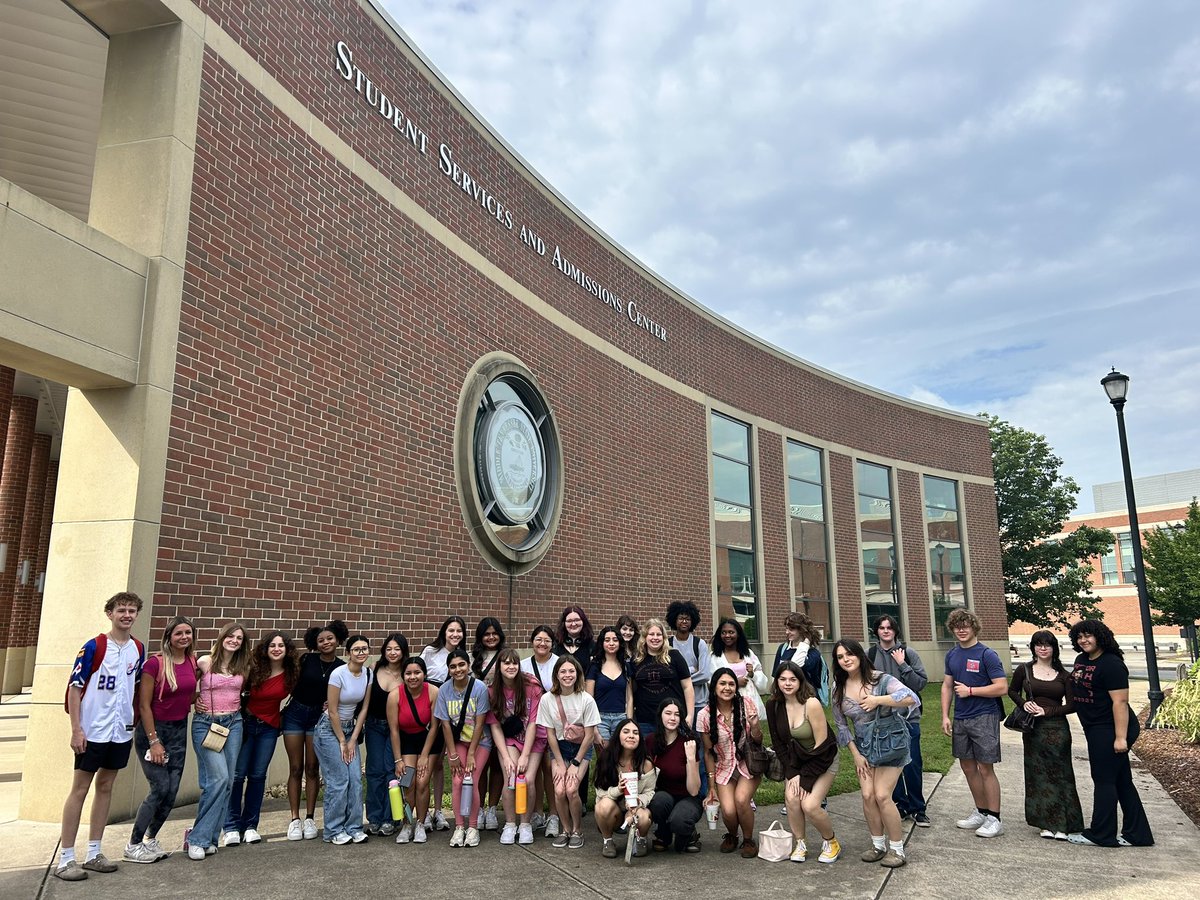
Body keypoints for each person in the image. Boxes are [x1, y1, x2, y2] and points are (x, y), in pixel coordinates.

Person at [55, 592, 146, 881]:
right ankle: (66, 858)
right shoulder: (95, 646)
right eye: (121, 610)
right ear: (110, 613)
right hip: (92, 729)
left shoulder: (138, 649)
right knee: (80, 788)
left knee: (106, 786)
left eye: (132, 610)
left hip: (119, 731)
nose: (127, 615)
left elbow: (135, 687)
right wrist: (76, 729)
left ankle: (94, 852)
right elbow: (74, 688)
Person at [1067, 619, 1154, 848]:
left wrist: (1120, 737)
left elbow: (1121, 702)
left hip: (1111, 728)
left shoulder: (1111, 664)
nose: (1083, 640)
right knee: (1122, 780)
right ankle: (1139, 834)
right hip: (1095, 727)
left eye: (1088, 636)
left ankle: (1101, 834)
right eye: (1079, 637)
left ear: (1100, 637)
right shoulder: (1081, 660)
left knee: (1104, 780)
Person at [832, 639, 918, 868]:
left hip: (890, 744)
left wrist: (877, 700)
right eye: (840, 657)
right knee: (868, 796)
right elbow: (841, 726)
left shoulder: (881, 679)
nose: (845, 660)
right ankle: (878, 845)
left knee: (881, 795)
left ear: (860, 655)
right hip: (864, 749)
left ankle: (897, 850)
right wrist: (856, 755)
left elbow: (912, 698)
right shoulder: (837, 688)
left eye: (849, 654)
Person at [124, 614, 196, 865]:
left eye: (188, 633)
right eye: (179, 633)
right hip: (152, 732)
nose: (184, 637)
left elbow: (188, 696)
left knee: (172, 791)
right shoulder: (154, 664)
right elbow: (144, 706)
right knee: (160, 788)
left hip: (178, 731)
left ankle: (151, 838)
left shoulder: (191, 661)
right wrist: (154, 741)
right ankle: (133, 844)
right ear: (169, 636)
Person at [224, 631, 299, 846]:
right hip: (245, 725)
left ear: (287, 650)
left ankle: (250, 826)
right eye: (272, 645)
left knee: (257, 776)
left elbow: (302, 696)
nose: (277, 649)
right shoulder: (253, 668)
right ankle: (230, 826)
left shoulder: (291, 674)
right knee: (238, 775)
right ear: (265, 648)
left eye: (281, 646)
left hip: (269, 728)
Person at [1009, 630, 1084, 840]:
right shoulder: (1024, 670)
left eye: (1047, 645)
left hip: (1057, 729)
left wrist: (1048, 711)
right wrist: (1024, 703)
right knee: (1037, 775)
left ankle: (1062, 823)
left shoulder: (1064, 675)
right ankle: (1044, 822)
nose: (1043, 648)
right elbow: (1012, 691)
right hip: (1033, 730)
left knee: (1060, 774)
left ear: (1054, 648)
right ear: (1033, 647)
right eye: (1038, 644)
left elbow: (1072, 705)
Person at [941, 608, 1007, 839]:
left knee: (985, 768)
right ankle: (981, 811)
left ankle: (994, 818)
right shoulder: (952, 655)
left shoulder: (987, 654)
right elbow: (947, 685)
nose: (961, 629)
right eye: (957, 626)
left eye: (965, 625)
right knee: (968, 767)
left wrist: (971, 690)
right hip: (961, 718)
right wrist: (945, 715)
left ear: (974, 627)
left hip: (984, 717)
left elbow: (1002, 687)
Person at [767, 660, 840, 863]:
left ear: (800, 681)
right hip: (796, 761)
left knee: (810, 805)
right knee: (791, 798)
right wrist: (793, 774)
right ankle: (800, 843)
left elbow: (823, 747)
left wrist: (804, 779)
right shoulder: (773, 705)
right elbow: (779, 745)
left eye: (792, 679)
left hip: (823, 759)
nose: (787, 683)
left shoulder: (811, 703)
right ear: (777, 681)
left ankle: (831, 841)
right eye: (782, 679)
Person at [282, 619, 348, 841]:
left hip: (318, 719)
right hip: (295, 715)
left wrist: (333, 704)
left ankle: (310, 817)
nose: (326, 642)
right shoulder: (306, 659)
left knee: (312, 767)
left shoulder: (341, 666)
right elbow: (288, 680)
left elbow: (343, 693)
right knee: (295, 767)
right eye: (321, 640)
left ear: (338, 640)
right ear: (315, 643)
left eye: (330, 638)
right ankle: (294, 819)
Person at [190, 621, 250, 860]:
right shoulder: (204, 662)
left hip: (234, 724)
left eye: (239, 638)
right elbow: (185, 683)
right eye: (231, 636)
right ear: (222, 637)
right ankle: (197, 839)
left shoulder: (242, 666)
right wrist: (195, 696)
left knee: (226, 783)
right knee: (218, 778)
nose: (234, 641)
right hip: (206, 724)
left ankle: (211, 839)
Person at [423, 647, 491, 848]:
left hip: (480, 743)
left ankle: (473, 827)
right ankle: (459, 827)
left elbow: (480, 723)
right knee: (457, 780)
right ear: (448, 669)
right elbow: (444, 724)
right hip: (458, 742)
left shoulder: (479, 688)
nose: (457, 669)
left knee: (471, 779)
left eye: (461, 665)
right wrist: (452, 754)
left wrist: (471, 754)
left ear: (468, 666)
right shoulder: (444, 690)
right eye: (453, 666)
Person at [868, 614, 930, 826]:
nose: (886, 631)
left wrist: (903, 664)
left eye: (890, 628)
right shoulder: (870, 654)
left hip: (908, 719)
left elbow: (920, 684)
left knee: (912, 764)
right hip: (883, 721)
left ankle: (918, 808)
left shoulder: (908, 653)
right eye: (882, 628)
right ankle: (900, 804)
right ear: (876, 631)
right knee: (888, 765)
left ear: (895, 631)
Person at [313, 634, 372, 845]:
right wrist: (341, 741)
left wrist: (353, 738)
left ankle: (354, 827)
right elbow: (334, 710)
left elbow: (364, 708)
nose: (361, 652)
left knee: (355, 779)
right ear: (348, 653)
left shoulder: (368, 673)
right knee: (339, 781)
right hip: (329, 730)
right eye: (356, 649)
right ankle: (333, 830)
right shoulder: (338, 674)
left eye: (364, 649)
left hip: (350, 730)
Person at [536, 654, 600, 849]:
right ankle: (565, 829)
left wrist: (575, 764)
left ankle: (577, 830)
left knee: (572, 790)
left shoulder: (586, 699)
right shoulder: (547, 699)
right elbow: (550, 734)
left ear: (577, 673)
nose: (567, 675)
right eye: (563, 671)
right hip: (559, 748)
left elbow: (589, 736)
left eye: (571, 671)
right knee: (559, 790)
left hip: (581, 749)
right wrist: (560, 763)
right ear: (556, 674)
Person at [698, 667, 762, 858]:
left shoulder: (746, 704)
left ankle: (748, 839)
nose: (727, 688)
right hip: (723, 766)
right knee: (728, 810)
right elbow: (708, 753)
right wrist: (711, 786)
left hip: (747, 764)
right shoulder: (704, 715)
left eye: (731, 684)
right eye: (722, 683)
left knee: (742, 801)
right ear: (714, 687)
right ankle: (732, 836)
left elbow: (758, 741)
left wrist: (756, 725)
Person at [486, 648, 546, 845]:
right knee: (510, 776)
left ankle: (525, 824)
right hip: (509, 739)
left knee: (527, 780)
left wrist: (525, 755)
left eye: (514, 663)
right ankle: (510, 824)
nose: (511, 667)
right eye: (506, 663)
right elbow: (495, 726)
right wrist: (505, 757)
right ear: (499, 667)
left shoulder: (532, 687)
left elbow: (532, 724)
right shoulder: (493, 691)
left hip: (534, 738)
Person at [386, 656, 440, 844]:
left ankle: (420, 823)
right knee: (408, 782)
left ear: (424, 674)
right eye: (408, 673)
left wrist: (424, 755)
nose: (413, 677)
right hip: (407, 740)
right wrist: (398, 759)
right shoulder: (395, 695)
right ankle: (407, 824)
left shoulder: (433, 691)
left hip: (429, 741)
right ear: (403, 676)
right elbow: (393, 730)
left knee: (423, 781)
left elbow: (435, 726)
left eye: (417, 672)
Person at [420, 616, 467, 832]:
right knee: (425, 764)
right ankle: (423, 810)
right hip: (428, 708)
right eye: (451, 630)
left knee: (439, 764)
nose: (455, 634)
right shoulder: (430, 651)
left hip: (451, 711)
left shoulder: (465, 657)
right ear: (444, 632)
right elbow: (416, 673)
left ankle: (438, 810)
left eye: (459, 631)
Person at [594, 719, 658, 860]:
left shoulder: (645, 763)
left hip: (636, 808)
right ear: (618, 736)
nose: (631, 735)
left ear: (640, 739)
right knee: (603, 806)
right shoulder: (607, 758)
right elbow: (599, 791)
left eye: (635, 733)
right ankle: (608, 841)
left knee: (643, 817)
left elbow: (650, 791)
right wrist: (618, 789)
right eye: (626, 732)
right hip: (614, 810)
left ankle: (641, 839)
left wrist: (638, 801)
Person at [364, 633, 408, 835]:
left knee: (392, 771)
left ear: (403, 651)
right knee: (374, 771)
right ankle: (374, 817)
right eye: (389, 649)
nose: (392, 653)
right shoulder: (373, 670)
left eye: (397, 649)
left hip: (396, 730)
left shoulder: (408, 674)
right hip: (374, 726)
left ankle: (391, 818)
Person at [646, 699, 703, 853]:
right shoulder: (651, 741)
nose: (673, 718)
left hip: (688, 797)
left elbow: (693, 790)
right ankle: (663, 833)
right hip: (662, 795)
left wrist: (691, 758)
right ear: (660, 716)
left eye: (677, 714)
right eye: (668, 713)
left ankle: (689, 834)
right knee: (658, 802)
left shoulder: (689, 742)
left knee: (679, 823)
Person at [520, 624, 561, 837]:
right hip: (532, 723)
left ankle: (554, 815)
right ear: (532, 642)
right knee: (533, 771)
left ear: (552, 643)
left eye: (546, 640)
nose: (542, 643)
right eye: (538, 639)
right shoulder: (523, 665)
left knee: (550, 767)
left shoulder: (559, 663)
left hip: (554, 722)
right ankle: (537, 813)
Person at [630, 618, 694, 735]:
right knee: (648, 753)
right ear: (644, 637)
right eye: (651, 634)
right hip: (645, 720)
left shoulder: (674, 656)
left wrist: (690, 715)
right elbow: (631, 690)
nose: (655, 638)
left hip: (673, 719)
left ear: (663, 637)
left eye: (659, 634)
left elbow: (688, 687)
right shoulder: (636, 660)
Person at [471, 618, 505, 829]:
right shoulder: (472, 657)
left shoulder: (505, 656)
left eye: (494, 633)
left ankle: (492, 808)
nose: (491, 637)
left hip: (500, 715)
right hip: (477, 717)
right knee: (480, 765)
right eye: (486, 634)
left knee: (498, 763)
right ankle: (480, 808)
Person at [709, 617, 768, 719]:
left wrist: (752, 674)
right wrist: (735, 682)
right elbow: (711, 681)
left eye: (731, 632)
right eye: (724, 632)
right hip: (726, 701)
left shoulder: (748, 654)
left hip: (750, 701)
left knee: (753, 730)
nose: (727, 635)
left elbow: (762, 679)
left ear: (738, 634)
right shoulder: (714, 657)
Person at [586, 626, 634, 750]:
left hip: (621, 718)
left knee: (620, 757)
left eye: (615, 640)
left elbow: (629, 698)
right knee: (604, 759)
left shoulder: (626, 666)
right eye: (607, 640)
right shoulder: (595, 666)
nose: (611, 643)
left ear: (620, 642)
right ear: (602, 643)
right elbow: (588, 699)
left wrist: (629, 721)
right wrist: (594, 728)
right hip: (600, 719)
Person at [668, 600, 712, 722]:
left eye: (688, 619)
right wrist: (692, 669)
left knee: (699, 739)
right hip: (676, 702)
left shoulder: (699, 644)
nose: (684, 622)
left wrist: (679, 680)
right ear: (674, 620)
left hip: (699, 702)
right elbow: (667, 672)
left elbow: (704, 675)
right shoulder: (668, 645)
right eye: (681, 618)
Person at [771, 613, 828, 705]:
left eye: (791, 629)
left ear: (802, 630)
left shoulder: (813, 653)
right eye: (786, 628)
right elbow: (776, 675)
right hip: (785, 700)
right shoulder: (782, 649)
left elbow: (796, 664)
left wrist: (806, 643)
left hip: (806, 700)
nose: (787, 632)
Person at [554, 605, 595, 670]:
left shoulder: (591, 645)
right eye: (569, 621)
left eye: (577, 620)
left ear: (583, 621)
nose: (573, 624)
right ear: (564, 623)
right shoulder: (556, 645)